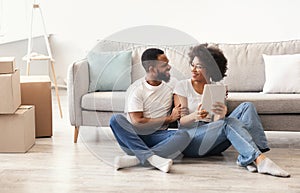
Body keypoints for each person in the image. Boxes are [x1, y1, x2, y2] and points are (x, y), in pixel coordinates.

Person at [173, 44, 290, 177]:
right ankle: (259, 160)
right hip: (192, 142)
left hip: (214, 142)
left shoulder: (216, 88)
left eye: (199, 66)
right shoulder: (182, 86)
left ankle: (252, 156)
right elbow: (182, 122)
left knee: (247, 106)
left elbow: (218, 123)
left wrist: (221, 114)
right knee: (228, 123)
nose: (193, 70)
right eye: (192, 65)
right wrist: (196, 115)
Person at [109, 48, 190, 173]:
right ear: (152, 69)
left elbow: (180, 109)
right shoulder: (136, 89)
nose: (169, 67)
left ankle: (137, 159)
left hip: (158, 137)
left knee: (183, 135)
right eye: (164, 65)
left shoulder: (173, 83)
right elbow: (137, 122)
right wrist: (169, 119)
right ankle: (153, 158)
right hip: (134, 138)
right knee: (115, 119)